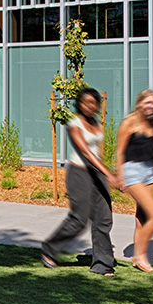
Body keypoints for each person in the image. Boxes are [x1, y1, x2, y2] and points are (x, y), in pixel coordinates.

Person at [40, 88, 116, 276]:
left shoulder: (96, 122)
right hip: (79, 174)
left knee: (104, 218)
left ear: (97, 104)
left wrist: (104, 173)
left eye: (92, 102)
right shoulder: (74, 124)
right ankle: (50, 248)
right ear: (79, 104)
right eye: (84, 102)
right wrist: (109, 173)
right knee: (80, 219)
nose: (89, 106)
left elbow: (97, 151)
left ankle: (102, 264)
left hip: (97, 175)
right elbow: (87, 153)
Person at [115, 89, 153, 272]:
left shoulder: (152, 123)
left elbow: (152, 150)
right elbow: (120, 151)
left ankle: (138, 257)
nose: (151, 106)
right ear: (139, 103)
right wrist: (120, 176)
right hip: (132, 171)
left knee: (142, 218)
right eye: (148, 102)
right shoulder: (129, 122)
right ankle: (140, 255)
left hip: (149, 170)